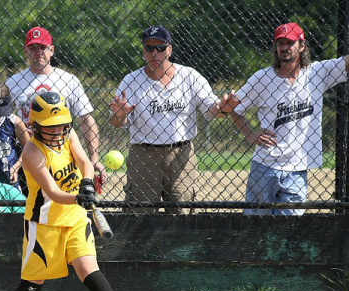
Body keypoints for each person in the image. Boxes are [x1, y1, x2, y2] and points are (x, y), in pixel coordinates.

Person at [0, 92, 135, 291]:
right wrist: (78, 198)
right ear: (36, 127)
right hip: (43, 222)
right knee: (33, 281)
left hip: (74, 219)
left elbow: (84, 162)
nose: (58, 131)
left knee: (88, 270)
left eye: (62, 125)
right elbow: (51, 192)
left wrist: (86, 183)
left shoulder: (68, 135)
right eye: (51, 127)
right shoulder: (32, 151)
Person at [221, 23, 348, 215]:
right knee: (255, 226)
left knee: (290, 229)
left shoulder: (317, 72)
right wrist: (249, 134)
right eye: (280, 43)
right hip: (265, 164)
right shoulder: (262, 78)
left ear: (302, 45)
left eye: (290, 42)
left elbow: (345, 62)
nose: (284, 47)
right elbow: (233, 107)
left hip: (298, 166)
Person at [109, 26, 230, 213]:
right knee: (139, 215)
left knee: (182, 212)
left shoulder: (189, 76)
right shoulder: (131, 81)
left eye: (160, 47)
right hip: (144, 154)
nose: (155, 52)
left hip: (181, 152)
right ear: (143, 51)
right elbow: (117, 123)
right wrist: (120, 114)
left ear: (170, 50)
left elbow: (211, 110)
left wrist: (223, 108)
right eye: (149, 47)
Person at [6, 26, 107, 190]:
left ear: (51, 50)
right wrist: (22, 131)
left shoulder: (68, 80)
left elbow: (86, 119)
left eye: (43, 47)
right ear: (26, 52)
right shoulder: (13, 83)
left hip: (63, 151)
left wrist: (94, 157)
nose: (38, 52)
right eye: (33, 47)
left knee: (63, 198)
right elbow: (6, 121)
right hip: (28, 151)